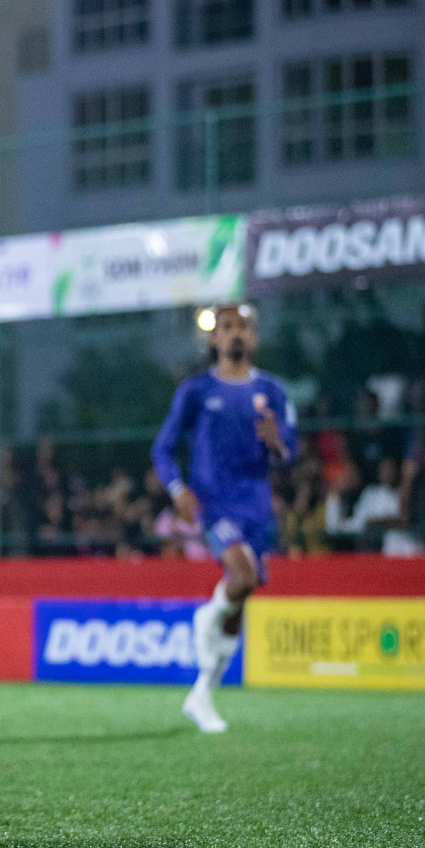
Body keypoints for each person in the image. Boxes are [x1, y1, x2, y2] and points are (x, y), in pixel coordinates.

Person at [151, 304, 294, 734]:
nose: (236, 334)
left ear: (254, 337)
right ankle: (205, 618)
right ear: (214, 339)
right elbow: (163, 448)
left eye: (244, 328)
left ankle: (202, 695)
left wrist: (278, 445)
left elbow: (292, 449)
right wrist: (177, 489)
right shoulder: (195, 391)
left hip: (257, 506)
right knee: (243, 578)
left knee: (239, 601)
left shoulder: (274, 390)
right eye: (227, 327)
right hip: (214, 503)